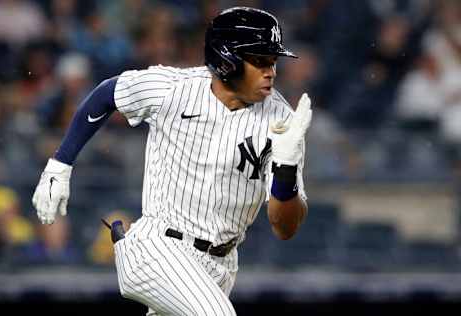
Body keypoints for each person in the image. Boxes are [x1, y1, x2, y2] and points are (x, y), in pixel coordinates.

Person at [32, 7, 312, 315]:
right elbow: (107, 93)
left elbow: (284, 227)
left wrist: (285, 170)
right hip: (159, 247)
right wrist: (60, 164)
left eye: (272, 61)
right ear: (226, 58)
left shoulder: (282, 121)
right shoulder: (174, 88)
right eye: (259, 60)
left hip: (220, 266)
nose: (271, 70)